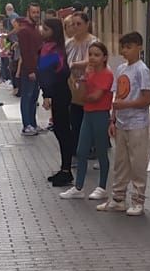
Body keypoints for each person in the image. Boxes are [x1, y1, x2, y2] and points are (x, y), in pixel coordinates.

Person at [100, 31, 150, 216]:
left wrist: (126, 104)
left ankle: (138, 200)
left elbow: (148, 99)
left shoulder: (141, 69)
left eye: (129, 47)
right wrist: (113, 118)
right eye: (123, 47)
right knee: (120, 162)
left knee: (137, 162)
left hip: (137, 123)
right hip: (122, 122)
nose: (125, 51)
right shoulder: (121, 69)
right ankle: (118, 198)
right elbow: (117, 96)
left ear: (139, 47)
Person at [62, 39, 115, 200]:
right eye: (90, 54)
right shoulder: (89, 72)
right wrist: (83, 83)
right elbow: (83, 95)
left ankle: (102, 186)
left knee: (101, 151)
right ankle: (78, 187)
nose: (92, 58)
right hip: (88, 113)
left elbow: (94, 97)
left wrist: (83, 91)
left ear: (104, 57)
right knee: (81, 151)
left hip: (100, 114)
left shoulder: (107, 74)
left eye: (97, 55)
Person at [37, 17, 74, 185]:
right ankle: (65, 168)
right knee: (61, 130)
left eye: (45, 29)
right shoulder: (57, 48)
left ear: (53, 31)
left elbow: (46, 73)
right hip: (61, 92)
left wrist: (47, 94)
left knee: (62, 131)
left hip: (58, 93)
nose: (42, 31)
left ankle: (66, 170)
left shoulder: (50, 49)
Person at [64, 12, 90, 180]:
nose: (75, 27)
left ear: (87, 25)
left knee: (86, 123)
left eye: (78, 24)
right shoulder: (69, 44)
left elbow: (92, 60)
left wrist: (73, 65)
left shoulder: (93, 42)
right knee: (74, 120)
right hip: (71, 87)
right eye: (73, 24)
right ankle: (75, 152)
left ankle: (87, 151)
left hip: (88, 87)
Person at [14, 2, 43, 134]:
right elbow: (26, 52)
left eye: (37, 12)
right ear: (28, 13)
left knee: (34, 97)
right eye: (34, 12)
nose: (36, 15)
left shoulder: (34, 28)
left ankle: (33, 123)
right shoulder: (25, 30)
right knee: (27, 96)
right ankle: (27, 125)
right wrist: (30, 70)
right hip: (29, 70)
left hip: (37, 68)